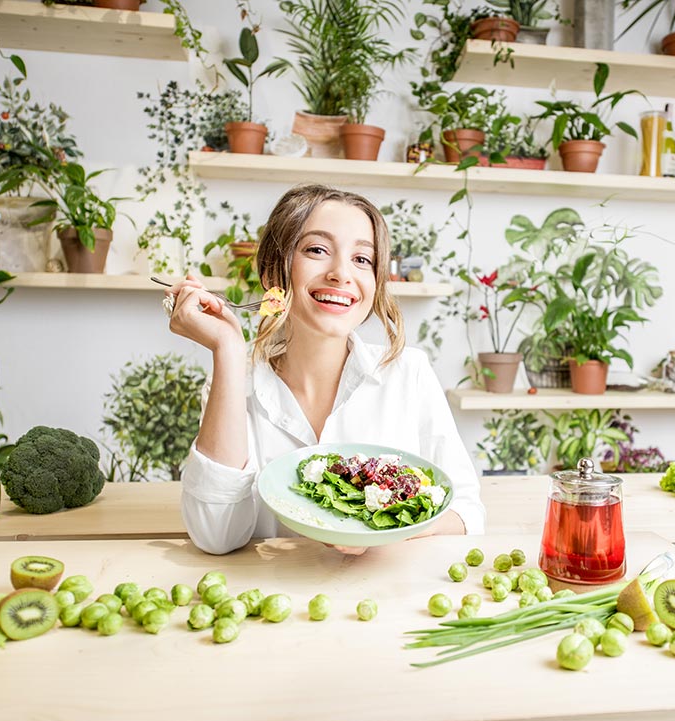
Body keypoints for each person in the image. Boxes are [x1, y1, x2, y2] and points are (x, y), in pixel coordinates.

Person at [164, 184, 484, 555]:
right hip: (271, 602)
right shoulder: (235, 382)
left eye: (362, 260)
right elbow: (216, 535)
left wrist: (382, 530)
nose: (341, 274)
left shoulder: (409, 373)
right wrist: (228, 349)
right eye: (318, 250)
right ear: (273, 274)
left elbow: (466, 512)